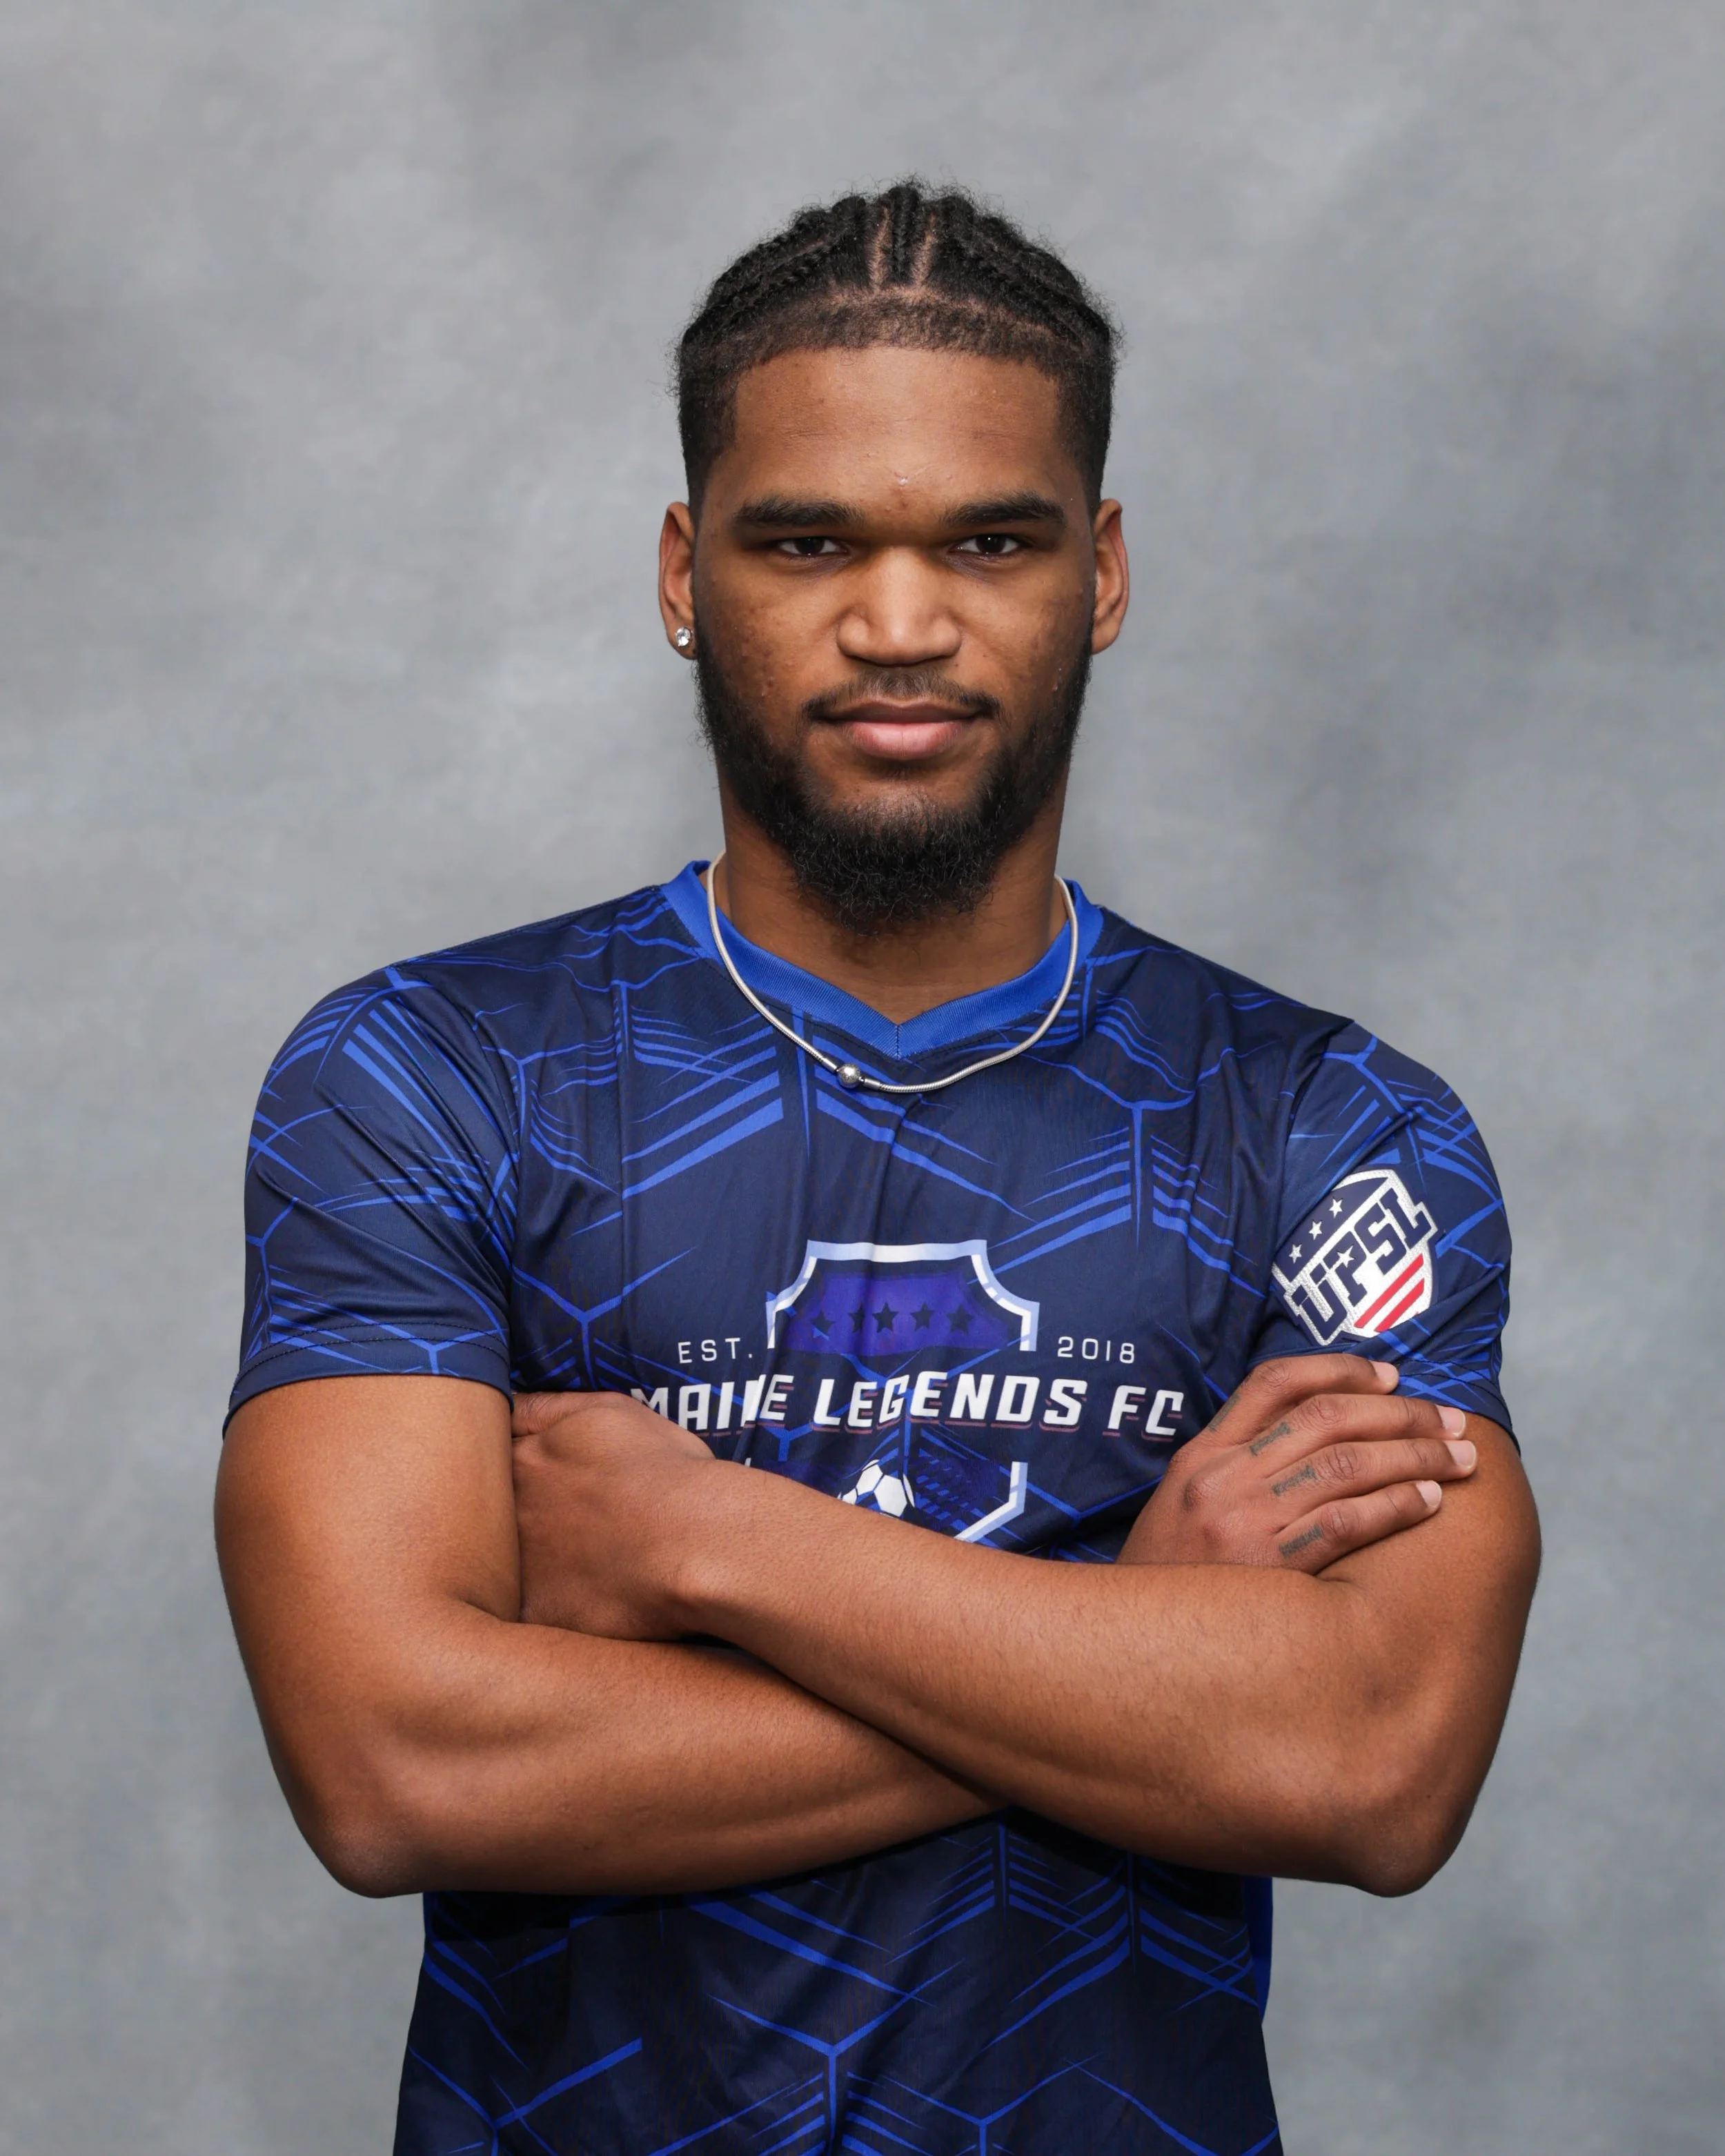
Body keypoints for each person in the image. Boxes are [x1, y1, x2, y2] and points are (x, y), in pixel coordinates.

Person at [216, 181, 1539, 2156]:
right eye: (806, 538)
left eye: (988, 541)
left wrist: (709, 1545)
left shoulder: (1321, 1126)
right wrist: (1131, 1634)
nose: (898, 622)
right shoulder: (436, 1076)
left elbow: (1370, 1759)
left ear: (1097, 571)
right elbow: (395, 1763)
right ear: (684, 571)